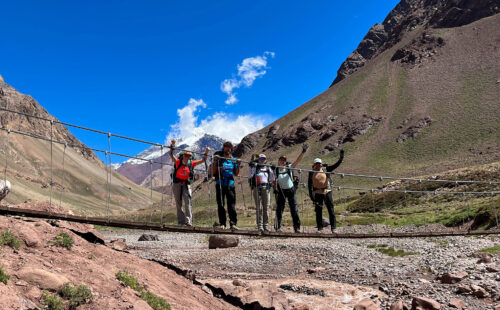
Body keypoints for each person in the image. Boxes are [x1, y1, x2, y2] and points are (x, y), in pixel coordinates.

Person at [169, 139, 210, 226]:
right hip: (177, 184)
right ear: (183, 155)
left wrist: (206, 151)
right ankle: (181, 222)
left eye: (189, 156)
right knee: (178, 203)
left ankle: (188, 222)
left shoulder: (191, 163)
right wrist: (172, 145)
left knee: (188, 202)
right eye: (186, 155)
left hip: (186, 184)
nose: (187, 157)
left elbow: (203, 160)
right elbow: (171, 155)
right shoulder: (178, 162)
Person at [274, 144, 308, 233]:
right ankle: (277, 227)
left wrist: (303, 152)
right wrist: (275, 189)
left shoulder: (289, 168)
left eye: (284, 160)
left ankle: (297, 228)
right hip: (281, 191)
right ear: (278, 161)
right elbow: (274, 180)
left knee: (294, 209)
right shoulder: (276, 170)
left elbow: (297, 161)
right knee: (279, 209)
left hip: (291, 190)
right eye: (281, 160)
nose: (283, 161)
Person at [308, 150, 345, 232]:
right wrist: (311, 196)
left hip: (327, 192)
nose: (318, 165)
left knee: (331, 209)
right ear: (314, 164)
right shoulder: (311, 172)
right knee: (318, 211)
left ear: (321, 164)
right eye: (316, 163)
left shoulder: (326, 169)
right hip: (317, 193)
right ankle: (320, 228)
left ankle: (333, 228)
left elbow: (335, 165)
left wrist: (341, 158)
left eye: (319, 163)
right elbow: (309, 185)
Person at [212, 141, 241, 230]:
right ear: (223, 148)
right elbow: (214, 172)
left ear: (231, 149)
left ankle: (233, 224)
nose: (228, 149)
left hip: (230, 184)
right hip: (220, 183)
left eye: (229, 147)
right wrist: (216, 161)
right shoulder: (219, 158)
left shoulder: (233, 160)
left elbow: (236, 173)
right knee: (221, 204)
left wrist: (238, 164)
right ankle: (222, 223)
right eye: (226, 147)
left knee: (231, 205)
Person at [249, 154, 275, 232]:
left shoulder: (268, 167)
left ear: (265, 159)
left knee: (266, 207)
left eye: (263, 158)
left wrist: (273, 170)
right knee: (259, 207)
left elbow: (272, 178)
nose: (262, 160)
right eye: (261, 159)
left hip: (266, 188)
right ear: (258, 159)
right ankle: (259, 226)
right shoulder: (255, 166)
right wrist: (252, 167)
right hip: (257, 188)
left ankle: (265, 225)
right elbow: (250, 176)